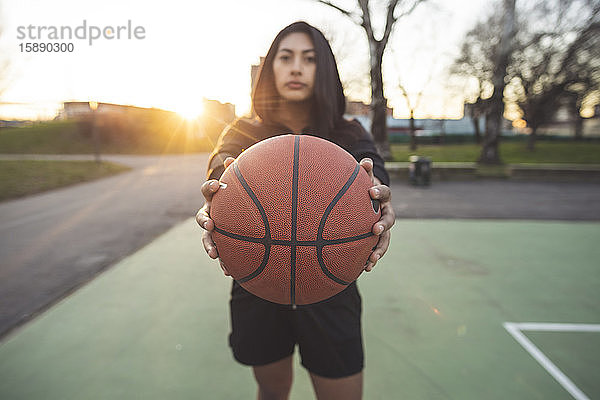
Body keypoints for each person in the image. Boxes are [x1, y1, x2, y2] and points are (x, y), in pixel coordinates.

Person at [196, 21, 395, 400]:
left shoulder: (349, 134)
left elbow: (374, 177)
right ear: (271, 67)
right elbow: (222, 168)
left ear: (324, 70)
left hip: (331, 283)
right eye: (285, 57)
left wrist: (383, 201)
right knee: (272, 392)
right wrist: (215, 196)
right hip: (258, 280)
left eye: (309, 58)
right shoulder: (242, 133)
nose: (296, 67)